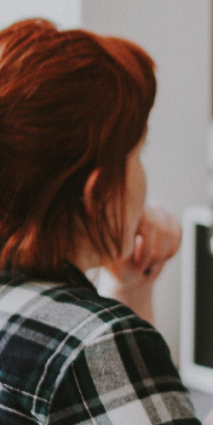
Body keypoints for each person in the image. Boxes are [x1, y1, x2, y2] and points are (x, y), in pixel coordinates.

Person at [0, 19, 201, 424]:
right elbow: (95, 355)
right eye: (138, 154)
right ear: (98, 192)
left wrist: (131, 287)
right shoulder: (93, 343)